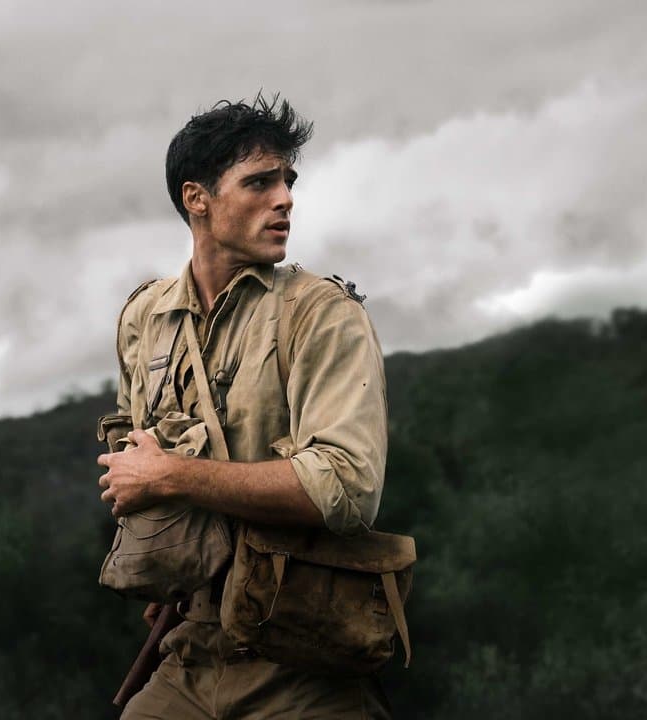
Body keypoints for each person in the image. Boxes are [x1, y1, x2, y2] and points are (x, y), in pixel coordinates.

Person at [96, 94, 392, 719]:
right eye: (259, 182)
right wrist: (172, 552)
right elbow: (133, 456)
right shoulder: (145, 317)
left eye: (288, 182)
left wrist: (172, 476)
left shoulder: (321, 314)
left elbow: (345, 488)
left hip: (301, 649)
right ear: (196, 199)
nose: (284, 199)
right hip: (190, 642)